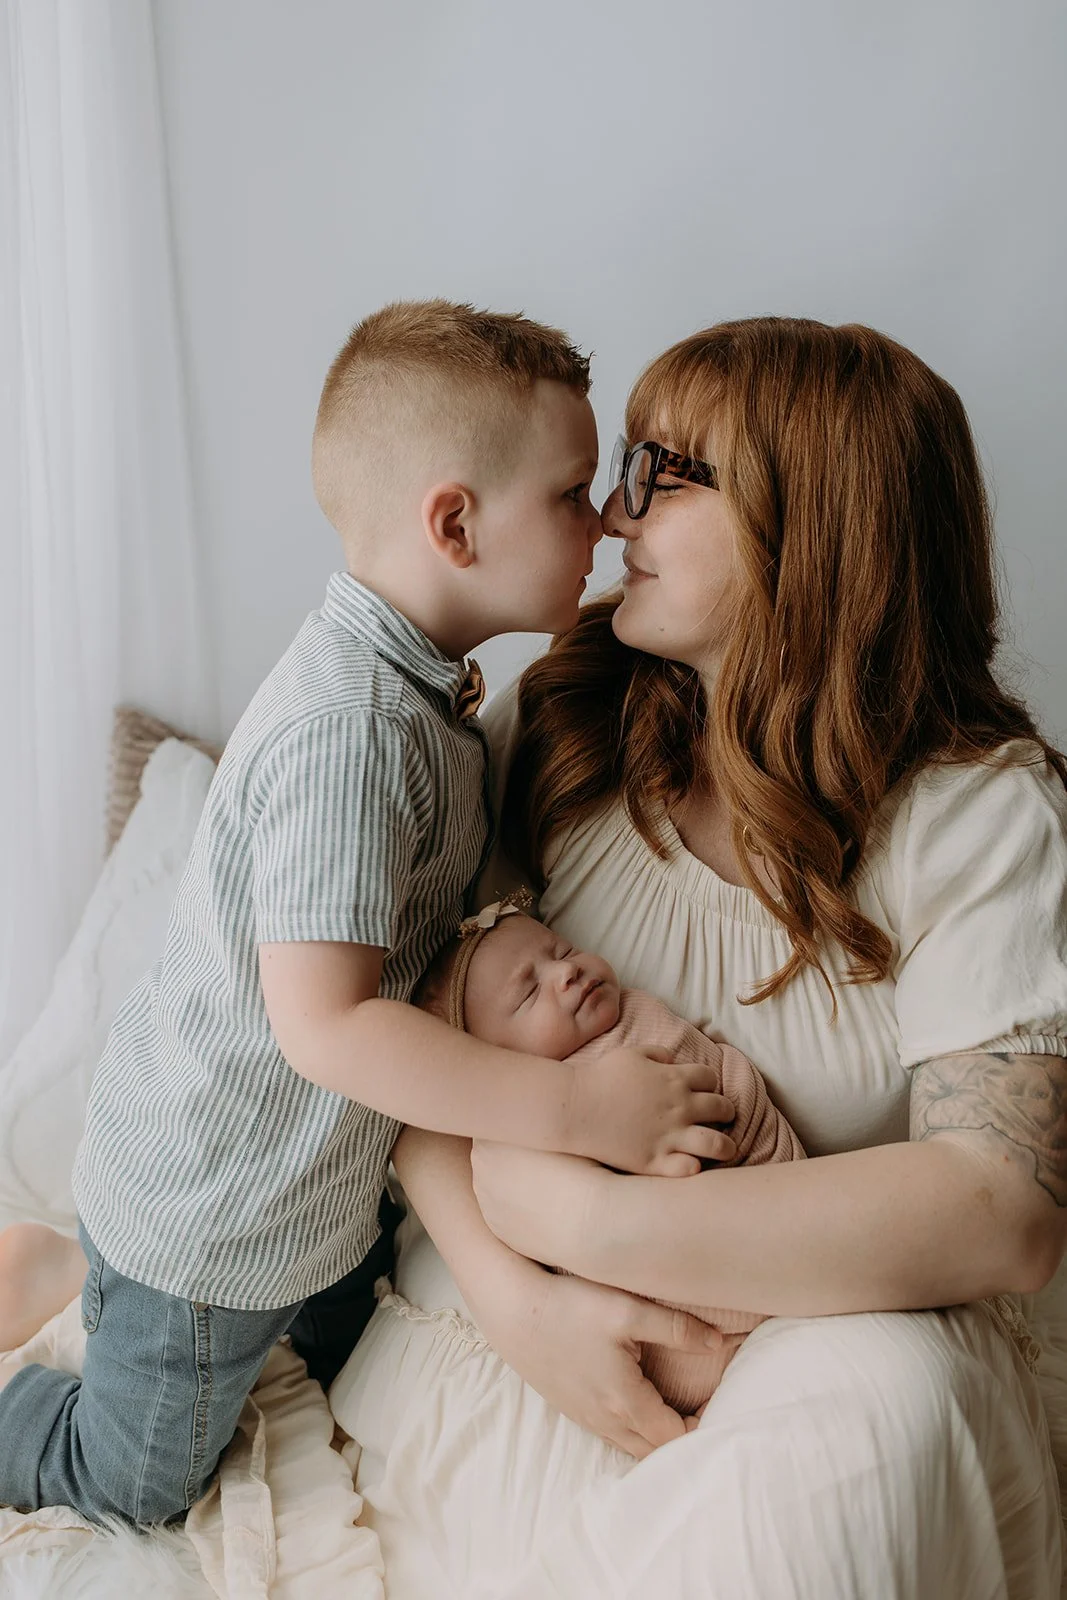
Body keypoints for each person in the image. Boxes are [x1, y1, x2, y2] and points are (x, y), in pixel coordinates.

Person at [0, 299, 735, 1528]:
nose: (607, 516)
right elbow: (329, 1030)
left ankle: (67, 1263)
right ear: (454, 523)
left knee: (341, 1343)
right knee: (135, 1475)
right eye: (571, 492)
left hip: (312, 1193)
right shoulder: (351, 731)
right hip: (209, 1215)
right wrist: (575, 1102)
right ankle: (59, 1319)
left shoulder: (428, 689)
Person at [362, 316, 1067, 1596]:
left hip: (802, 1342)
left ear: (815, 528)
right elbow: (384, 1025)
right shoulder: (566, 719)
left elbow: (1000, 1210)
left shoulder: (977, 812)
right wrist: (515, 1292)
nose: (614, 518)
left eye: (661, 476)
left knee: (886, 1415)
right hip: (519, 1314)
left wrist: (589, 1213)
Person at [415, 890, 806, 1411]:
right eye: (529, 994)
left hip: (769, 1213)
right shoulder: (528, 1120)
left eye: (564, 951)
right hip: (681, 1307)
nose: (566, 974)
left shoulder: (636, 1015)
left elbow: (722, 1087)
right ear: (499, 1067)